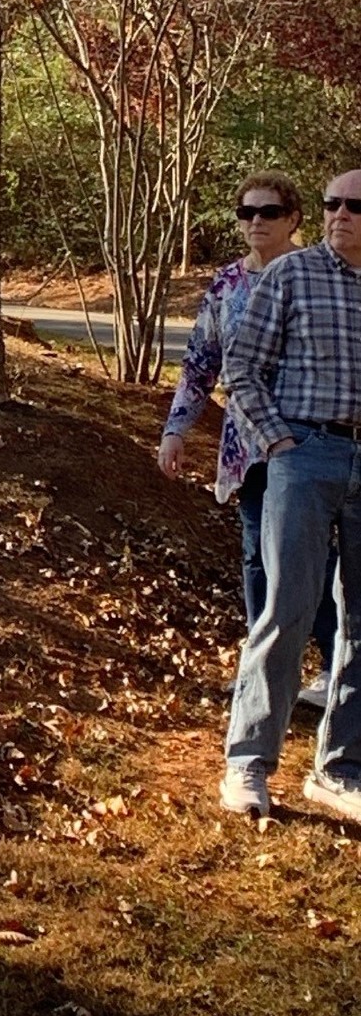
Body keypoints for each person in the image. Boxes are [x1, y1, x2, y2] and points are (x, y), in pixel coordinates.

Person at [158, 171, 336, 708]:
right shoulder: (227, 286)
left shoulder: (324, 276)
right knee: (259, 554)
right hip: (250, 444)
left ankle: (333, 669)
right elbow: (200, 363)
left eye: (269, 213)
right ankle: (261, 671)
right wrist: (176, 430)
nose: (256, 222)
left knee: (322, 559)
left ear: (295, 219)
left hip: (315, 437)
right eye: (247, 213)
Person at [221, 167, 361, 820]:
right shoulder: (291, 275)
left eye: (353, 206)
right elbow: (240, 368)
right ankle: (247, 764)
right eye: (331, 203)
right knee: (287, 611)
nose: (339, 214)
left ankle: (338, 769)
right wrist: (280, 442)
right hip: (305, 455)